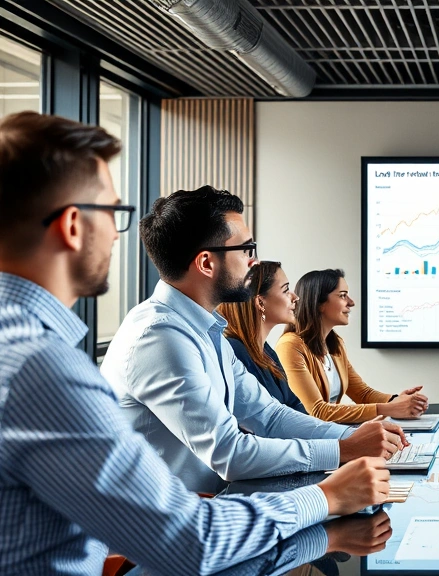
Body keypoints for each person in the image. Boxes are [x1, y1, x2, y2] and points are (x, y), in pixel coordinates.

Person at [0, 111, 389, 574]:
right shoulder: (49, 366)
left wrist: (352, 441)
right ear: (71, 226)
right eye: (113, 212)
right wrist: (327, 496)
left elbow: (262, 413)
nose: (115, 234)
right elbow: (192, 538)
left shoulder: (200, 330)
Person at [101, 187, 408, 494]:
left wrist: (350, 438)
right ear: (206, 263)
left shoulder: (206, 331)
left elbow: (269, 416)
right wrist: (345, 450)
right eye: (246, 250)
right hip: (169, 527)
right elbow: (230, 453)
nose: (254, 262)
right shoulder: (160, 337)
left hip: (213, 506)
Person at [276, 269, 428, 423]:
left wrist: (396, 400)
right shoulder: (290, 346)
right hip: (308, 440)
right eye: (342, 295)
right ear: (319, 303)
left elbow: (362, 394)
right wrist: (390, 408)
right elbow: (317, 411)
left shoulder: (335, 345)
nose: (351, 302)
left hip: (332, 434)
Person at [218, 260, 307, 414]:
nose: (295, 297)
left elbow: (295, 406)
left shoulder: (265, 351)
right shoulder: (234, 351)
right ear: (260, 302)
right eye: (286, 290)